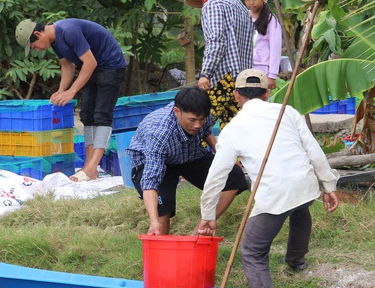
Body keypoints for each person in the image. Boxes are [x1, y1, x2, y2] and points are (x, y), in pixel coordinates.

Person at [198, 69, 340, 288]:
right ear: (267, 93)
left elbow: (216, 177)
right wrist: (329, 186)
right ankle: (296, 261)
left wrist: (208, 214)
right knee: (300, 208)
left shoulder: (232, 129)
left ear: (236, 95)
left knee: (252, 252)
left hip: (276, 193)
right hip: (304, 184)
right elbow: (313, 149)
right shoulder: (287, 111)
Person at [15, 18, 127, 182]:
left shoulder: (68, 31)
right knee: (87, 115)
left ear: (38, 34)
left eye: (34, 46)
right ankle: (89, 166)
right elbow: (68, 66)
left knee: (102, 115)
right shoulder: (54, 41)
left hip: (111, 65)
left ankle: (92, 166)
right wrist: (61, 91)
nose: (36, 50)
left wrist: (72, 91)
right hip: (93, 68)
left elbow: (90, 61)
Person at [126, 86, 248, 236]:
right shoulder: (159, 133)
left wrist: (222, 155)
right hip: (155, 160)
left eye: (201, 119)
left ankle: (198, 233)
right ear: (177, 111)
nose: (197, 125)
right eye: (192, 120)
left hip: (188, 154)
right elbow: (150, 181)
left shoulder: (204, 115)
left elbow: (206, 131)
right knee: (162, 207)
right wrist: (153, 221)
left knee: (234, 176)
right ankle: (161, 247)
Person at [185, 0, 254, 129]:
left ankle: (194, 155)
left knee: (197, 125)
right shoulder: (241, 7)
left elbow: (216, 42)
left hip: (223, 77)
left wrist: (205, 73)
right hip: (240, 79)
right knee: (234, 129)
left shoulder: (214, 4)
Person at [241, 0, 282, 90]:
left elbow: (275, 48)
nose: (251, 2)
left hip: (263, 69)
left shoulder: (270, 20)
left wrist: (272, 75)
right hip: (245, 67)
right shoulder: (244, 17)